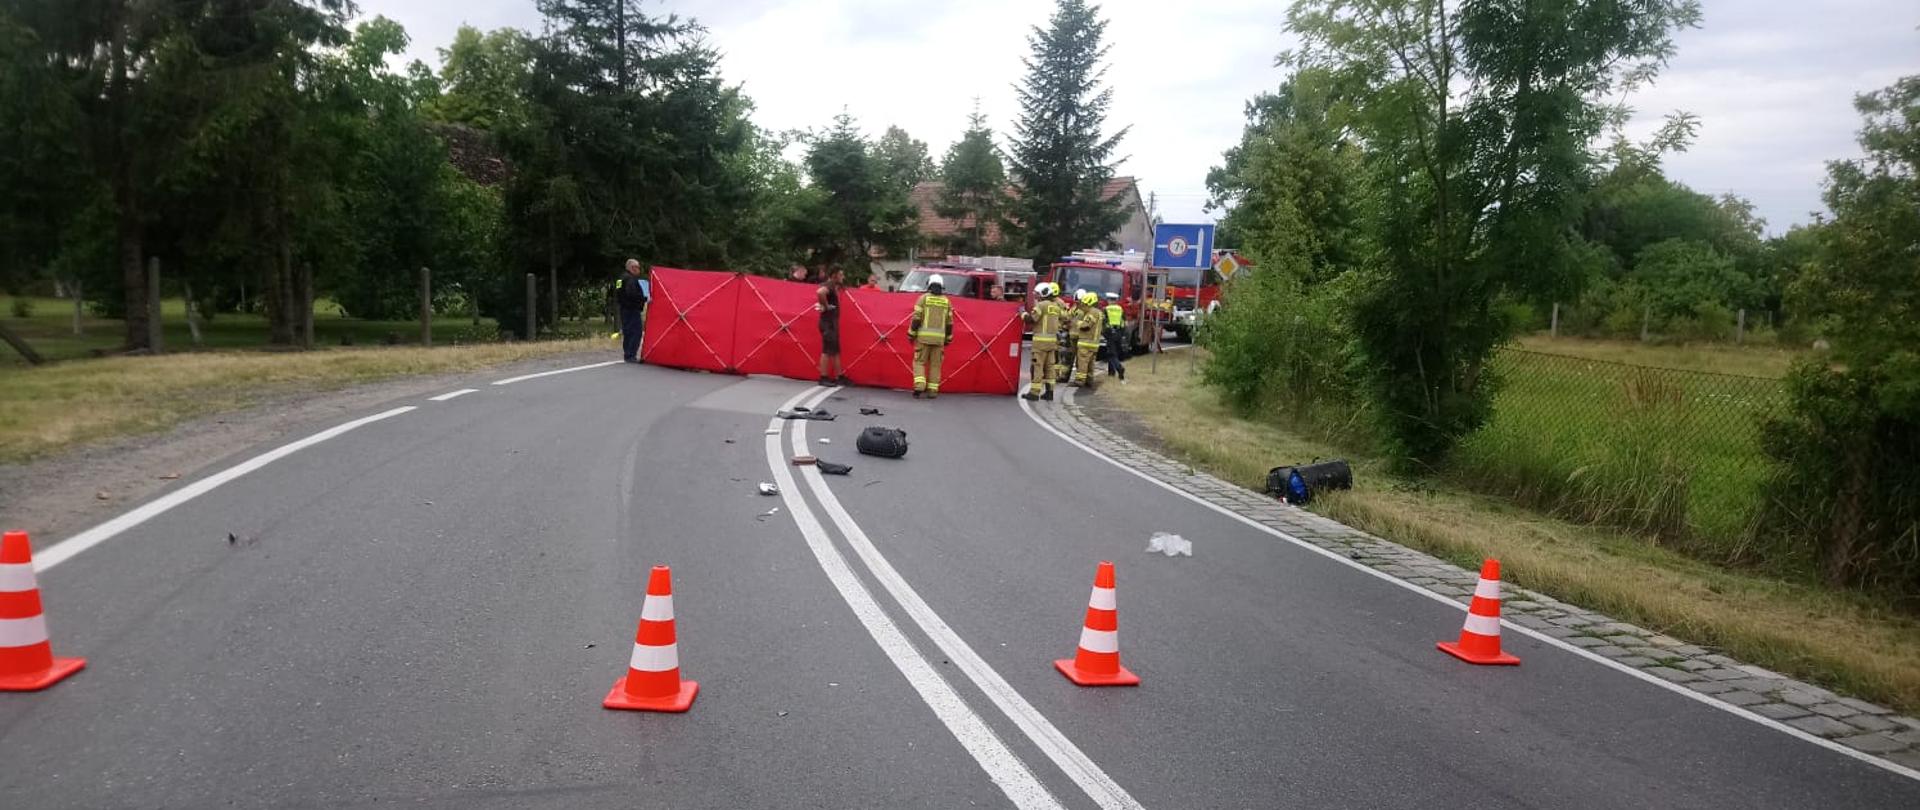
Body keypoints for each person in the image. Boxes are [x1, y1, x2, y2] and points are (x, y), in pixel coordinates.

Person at [909, 274, 954, 398]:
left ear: (929, 284)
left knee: (919, 362)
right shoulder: (946, 301)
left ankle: (920, 385)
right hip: (939, 340)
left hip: (923, 338)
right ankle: (933, 391)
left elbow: (916, 319)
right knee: (935, 365)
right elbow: (950, 323)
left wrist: (911, 334)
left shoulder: (923, 299)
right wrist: (948, 338)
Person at [1021, 283, 1066, 401]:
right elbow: (1064, 318)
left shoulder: (1041, 305)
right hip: (1052, 342)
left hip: (1040, 343)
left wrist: (1023, 313)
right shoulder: (1056, 306)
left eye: (1037, 294)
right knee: (1050, 367)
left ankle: (1034, 393)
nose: (1036, 297)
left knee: (1037, 367)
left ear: (1042, 294)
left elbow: (1032, 319)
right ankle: (1049, 392)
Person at [816, 268, 848, 386]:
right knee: (827, 351)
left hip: (831, 323)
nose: (843, 277)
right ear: (834, 275)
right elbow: (820, 292)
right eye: (841, 275)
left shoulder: (833, 286)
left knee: (834, 351)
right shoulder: (829, 285)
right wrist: (826, 306)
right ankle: (823, 377)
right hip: (828, 323)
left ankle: (839, 376)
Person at [615, 259, 649, 363]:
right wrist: (644, 298)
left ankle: (628, 354)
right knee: (636, 332)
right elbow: (632, 294)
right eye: (637, 267)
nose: (639, 269)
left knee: (628, 332)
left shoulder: (620, 279)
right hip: (632, 309)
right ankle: (631, 355)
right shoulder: (631, 279)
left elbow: (618, 294)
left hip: (624, 308)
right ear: (632, 268)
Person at [1069, 290, 1102, 388]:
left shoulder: (1092, 312)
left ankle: (1080, 381)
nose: (1083, 306)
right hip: (1094, 343)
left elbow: (1086, 326)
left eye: (1085, 304)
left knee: (1082, 362)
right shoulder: (1099, 312)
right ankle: (1089, 380)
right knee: (1091, 363)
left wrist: (1078, 323)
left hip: (1086, 342)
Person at [1103, 292, 1127, 381]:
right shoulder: (1120, 309)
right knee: (1114, 352)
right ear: (1116, 300)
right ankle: (1111, 373)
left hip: (1110, 333)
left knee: (1111, 353)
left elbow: (1103, 322)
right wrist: (1122, 334)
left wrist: (1104, 334)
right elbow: (1124, 323)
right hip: (1119, 333)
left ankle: (1119, 368)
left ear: (1109, 300)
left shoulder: (1106, 309)